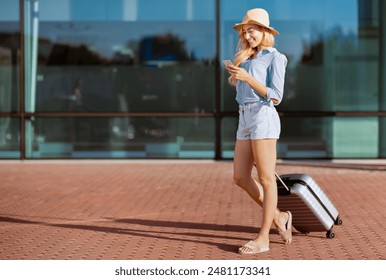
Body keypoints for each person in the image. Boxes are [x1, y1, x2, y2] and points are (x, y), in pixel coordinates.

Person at [224, 8, 292, 254]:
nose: (247, 35)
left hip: (264, 117)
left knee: (266, 178)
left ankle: (263, 238)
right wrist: (237, 74)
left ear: (264, 31)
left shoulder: (276, 57)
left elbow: (276, 96)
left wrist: (248, 78)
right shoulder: (248, 58)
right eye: (245, 31)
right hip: (245, 118)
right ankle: (279, 215)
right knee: (240, 177)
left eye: (251, 30)